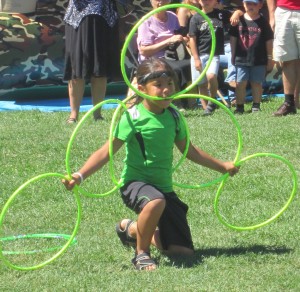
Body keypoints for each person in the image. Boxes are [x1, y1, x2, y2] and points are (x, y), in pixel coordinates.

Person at [62, 57, 239, 271]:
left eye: (170, 84)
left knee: (182, 253)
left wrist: (223, 166)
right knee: (155, 201)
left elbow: (190, 151)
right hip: (135, 184)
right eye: (158, 85)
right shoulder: (133, 117)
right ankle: (141, 254)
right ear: (141, 87)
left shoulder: (174, 116)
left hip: (164, 189)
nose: (166, 90)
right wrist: (80, 176)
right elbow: (106, 152)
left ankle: (132, 230)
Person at [63, 0, 121, 124]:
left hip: (104, 18)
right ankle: (73, 114)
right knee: (76, 68)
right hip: (77, 20)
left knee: (100, 68)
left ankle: (97, 114)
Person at [189, 0, 242, 115]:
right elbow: (192, 39)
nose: (206, 2)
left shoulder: (220, 14)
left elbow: (239, 11)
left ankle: (212, 102)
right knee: (201, 84)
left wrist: (236, 13)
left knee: (212, 76)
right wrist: (196, 58)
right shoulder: (195, 18)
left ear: (216, 2)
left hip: (213, 54)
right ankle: (206, 109)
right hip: (199, 55)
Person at [229, 0, 274, 114]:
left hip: (259, 58)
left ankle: (256, 105)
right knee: (240, 83)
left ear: (260, 5)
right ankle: (240, 107)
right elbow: (233, 38)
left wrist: (270, 57)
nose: (251, 6)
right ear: (244, 4)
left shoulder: (263, 22)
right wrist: (233, 55)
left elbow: (269, 40)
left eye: (254, 4)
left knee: (256, 83)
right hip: (241, 58)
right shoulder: (238, 20)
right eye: (248, 3)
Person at [137, 0, 191, 91]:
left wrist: (183, 38)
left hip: (173, 56)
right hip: (154, 59)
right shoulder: (146, 21)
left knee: (192, 63)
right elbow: (144, 51)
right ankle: (176, 99)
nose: (161, 1)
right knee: (177, 69)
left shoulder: (172, 16)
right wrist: (168, 41)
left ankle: (190, 100)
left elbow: (179, 35)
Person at [267, 0, 300, 116]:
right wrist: (271, 15)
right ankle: (289, 103)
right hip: (283, 11)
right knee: (287, 59)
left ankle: (296, 100)